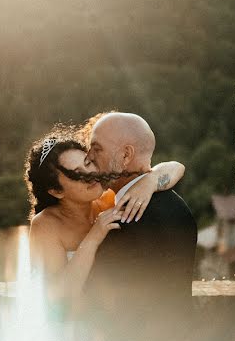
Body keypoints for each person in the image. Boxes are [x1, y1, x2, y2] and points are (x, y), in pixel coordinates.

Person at [25, 126, 185, 311]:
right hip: (74, 326)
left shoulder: (110, 198)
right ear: (56, 191)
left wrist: (151, 181)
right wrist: (94, 236)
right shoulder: (45, 225)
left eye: (88, 163)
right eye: (76, 174)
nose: (90, 175)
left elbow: (177, 167)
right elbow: (60, 295)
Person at [84, 112, 197, 309]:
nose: (88, 158)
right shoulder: (178, 205)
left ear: (126, 155)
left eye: (97, 149)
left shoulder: (123, 223)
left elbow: (105, 308)